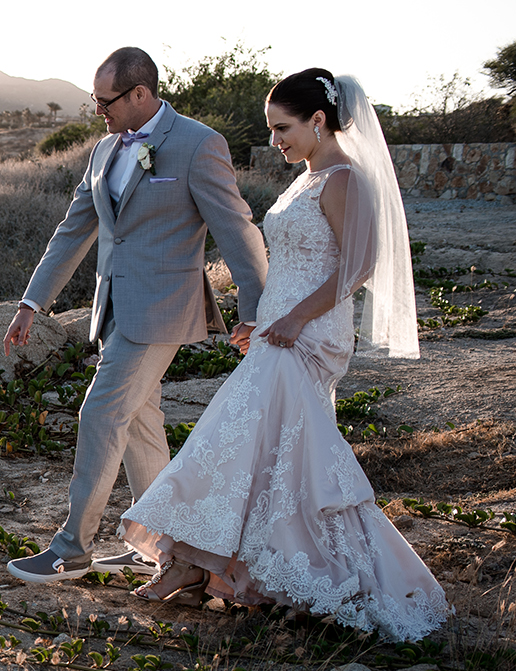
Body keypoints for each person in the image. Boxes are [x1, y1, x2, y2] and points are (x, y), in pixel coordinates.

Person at [118, 69, 447, 641]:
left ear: (319, 120)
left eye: (283, 128)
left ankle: (199, 563)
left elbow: (356, 267)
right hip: (281, 329)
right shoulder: (307, 178)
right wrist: (263, 319)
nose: (276, 141)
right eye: (271, 130)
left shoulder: (344, 179)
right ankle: (212, 566)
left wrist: (295, 318)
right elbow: (295, 264)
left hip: (312, 334)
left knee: (232, 434)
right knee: (266, 451)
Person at [4, 47, 269, 584]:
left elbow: (238, 231)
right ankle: (158, 544)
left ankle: (71, 549)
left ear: (141, 94)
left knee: (101, 414)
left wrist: (255, 310)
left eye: (106, 100)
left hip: (164, 310)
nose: (98, 110)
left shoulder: (199, 145)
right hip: (112, 309)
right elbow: (72, 231)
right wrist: (32, 302)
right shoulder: (103, 150)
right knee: (143, 425)